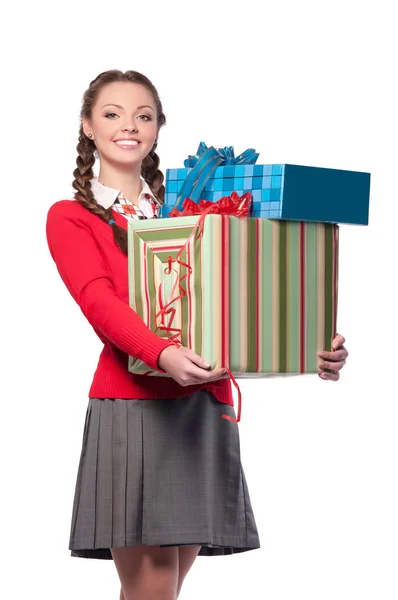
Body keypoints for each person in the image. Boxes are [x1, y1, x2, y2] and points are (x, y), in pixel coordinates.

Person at [45, 69, 349, 600]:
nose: (129, 126)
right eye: (112, 114)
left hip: (201, 399)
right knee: (156, 575)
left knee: (161, 578)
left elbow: (242, 296)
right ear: (88, 127)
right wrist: (161, 353)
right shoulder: (72, 216)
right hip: (135, 400)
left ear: (159, 127)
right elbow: (99, 303)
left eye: (143, 115)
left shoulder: (191, 211)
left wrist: (309, 343)